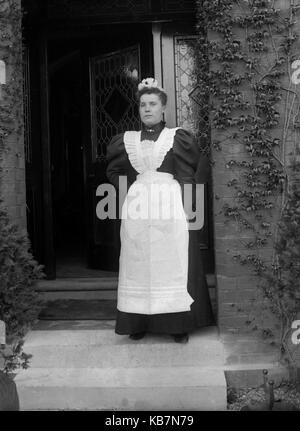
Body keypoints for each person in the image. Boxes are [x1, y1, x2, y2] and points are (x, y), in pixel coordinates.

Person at [106, 77, 214, 343]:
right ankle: (138, 321)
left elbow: (195, 171)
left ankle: (176, 324)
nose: (147, 109)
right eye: (143, 104)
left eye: (153, 104)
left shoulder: (176, 137)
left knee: (171, 262)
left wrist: (189, 203)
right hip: (139, 209)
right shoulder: (127, 140)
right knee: (138, 263)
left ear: (163, 108)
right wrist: (131, 192)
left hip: (170, 206)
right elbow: (113, 172)